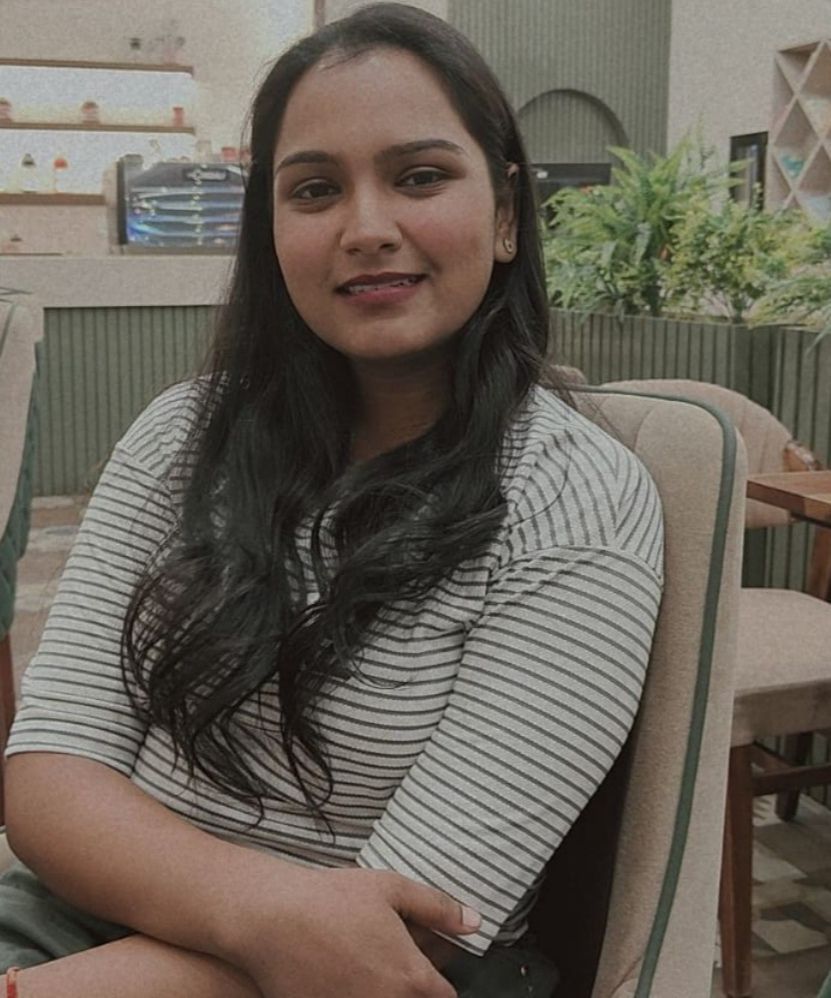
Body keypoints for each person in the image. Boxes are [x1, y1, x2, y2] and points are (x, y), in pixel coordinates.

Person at [0, 4, 664, 996]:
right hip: (96, 918)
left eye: (420, 176)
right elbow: (49, 779)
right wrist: (254, 907)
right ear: (270, 229)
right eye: (314, 189)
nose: (366, 228)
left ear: (508, 212)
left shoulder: (575, 504)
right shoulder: (183, 435)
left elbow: (405, 932)